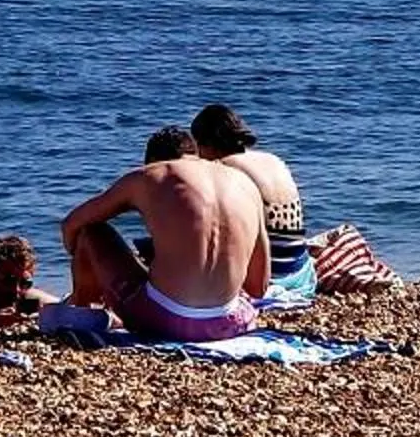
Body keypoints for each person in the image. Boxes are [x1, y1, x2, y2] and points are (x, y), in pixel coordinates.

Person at [60, 124, 267, 342]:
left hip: (163, 321)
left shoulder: (151, 175)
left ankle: (82, 309)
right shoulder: (245, 183)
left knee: (91, 232)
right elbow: (258, 286)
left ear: (153, 160)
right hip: (228, 322)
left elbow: (71, 225)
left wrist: (86, 264)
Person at [192, 103, 318, 304]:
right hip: (301, 273)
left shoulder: (224, 169)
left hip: (270, 277)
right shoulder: (271, 159)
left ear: (206, 144)